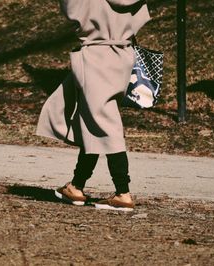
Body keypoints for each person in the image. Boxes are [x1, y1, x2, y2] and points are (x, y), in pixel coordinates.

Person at [36, 0, 151, 211]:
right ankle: (76, 186)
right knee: (92, 120)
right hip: (122, 54)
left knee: (105, 123)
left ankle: (123, 193)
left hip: (97, 57)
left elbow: (71, 10)